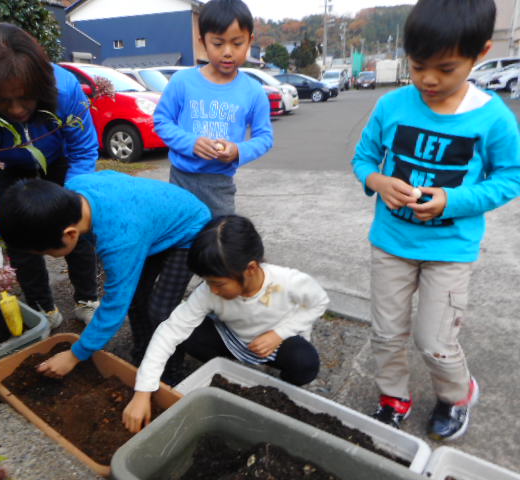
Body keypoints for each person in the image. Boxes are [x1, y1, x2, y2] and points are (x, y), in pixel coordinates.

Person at [351, 0, 520, 441]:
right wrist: (379, 181)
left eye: (445, 68)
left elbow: (510, 178)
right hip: (390, 243)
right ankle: (393, 397)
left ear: (480, 52)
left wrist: (452, 198)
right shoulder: (392, 105)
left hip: (450, 250)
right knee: (386, 332)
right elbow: (364, 158)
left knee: (435, 342)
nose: (428, 79)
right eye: (418, 65)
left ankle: (457, 395)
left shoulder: (494, 118)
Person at [0, 21, 100, 327]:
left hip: (60, 162)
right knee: (20, 239)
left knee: (77, 231)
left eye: (26, 98)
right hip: (7, 167)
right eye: (4, 101)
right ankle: (42, 308)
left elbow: (83, 151)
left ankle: (86, 299)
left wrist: (72, 201)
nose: (17, 110)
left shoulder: (65, 88)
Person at [122, 215, 329, 433]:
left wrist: (279, 333)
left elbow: (319, 302)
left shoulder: (288, 281)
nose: (212, 290)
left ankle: (279, 389)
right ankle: (221, 368)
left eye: (218, 283)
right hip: (232, 337)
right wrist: (143, 391)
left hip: (276, 341)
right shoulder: (209, 292)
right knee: (183, 331)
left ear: (251, 269)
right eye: (207, 282)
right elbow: (170, 330)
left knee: (304, 363)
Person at [0, 171, 211, 379]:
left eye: (48, 253)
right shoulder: (75, 188)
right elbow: (114, 177)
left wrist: (74, 354)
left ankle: (172, 372)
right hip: (151, 224)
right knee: (137, 297)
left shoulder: (120, 241)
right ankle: (144, 353)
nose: (50, 257)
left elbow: (115, 304)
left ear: (70, 234)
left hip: (188, 229)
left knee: (160, 310)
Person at [153, 0, 273, 217]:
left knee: (219, 244)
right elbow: (162, 121)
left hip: (221, 185)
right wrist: (191, 143)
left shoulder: (254, 91)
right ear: (202, 42)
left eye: (237, 44)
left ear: (249, 41)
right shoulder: (182, 81)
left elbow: (264, 137)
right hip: (181, 179)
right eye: (218, 44)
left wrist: (238, 151)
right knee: (180, 242)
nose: (228, 52)